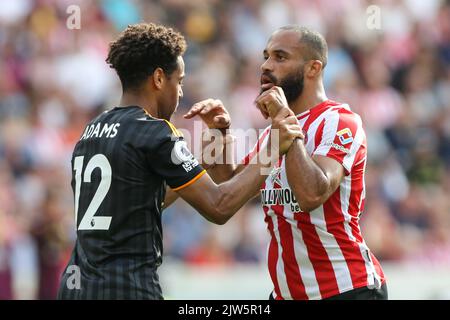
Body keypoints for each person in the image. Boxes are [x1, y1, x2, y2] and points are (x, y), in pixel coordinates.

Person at [57, 22, 302, 300]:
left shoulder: (92, 130)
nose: (181, 93)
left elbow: (148, 198)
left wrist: (205, 158)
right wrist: (272, 148)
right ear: (159, 79)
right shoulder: (155, 131)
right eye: (180, 81)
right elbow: (219, 207)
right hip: (128, 289)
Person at [186, 25, 387, 300]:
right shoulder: (274, 132)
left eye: (280, 57)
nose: (266, 66)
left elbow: (311, 194)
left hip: (347, 289)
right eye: (266, 56)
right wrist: (218, 134)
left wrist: (285, 124)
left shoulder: (340, 121)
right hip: (287, 294)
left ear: (313, 68)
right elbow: (230, 188)